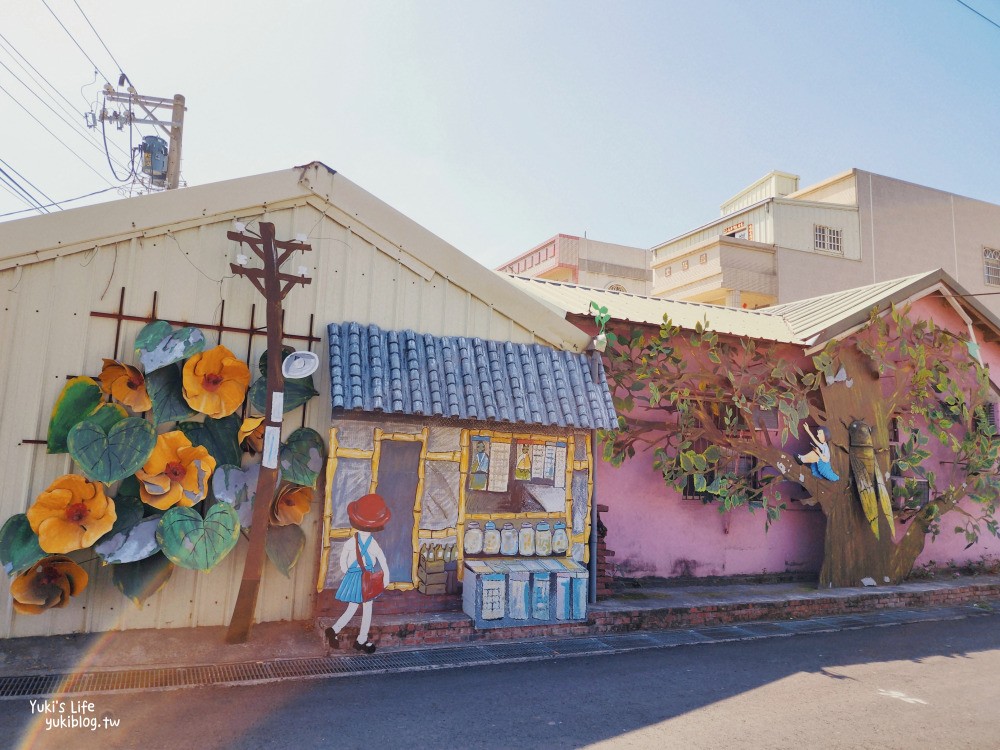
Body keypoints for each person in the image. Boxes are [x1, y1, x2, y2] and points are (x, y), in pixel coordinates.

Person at [324, 493, 391, 654]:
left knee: (352, 608)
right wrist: (386, 577)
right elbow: (382, 560)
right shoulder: (373, 544)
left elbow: (343, 560)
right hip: (366, 579)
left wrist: (347, 571)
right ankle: (360, 640)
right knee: (367, 609)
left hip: (354, 577)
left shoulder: (350, 541)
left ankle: (334, 630)